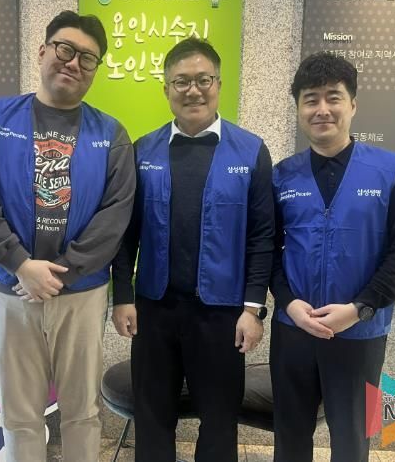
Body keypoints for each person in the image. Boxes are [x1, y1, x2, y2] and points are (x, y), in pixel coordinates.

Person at [0, 10, 135, 462]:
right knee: (19, 414)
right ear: (42, 52)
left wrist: (62, 272)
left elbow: (115, 215)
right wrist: (19, 263)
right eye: (65, 49)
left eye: (87, 58)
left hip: (82, 293)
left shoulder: (111, 134)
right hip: (12, 289)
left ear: (95, 70)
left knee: (83, 412)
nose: (74, 63)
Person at [111, 37, 274, 462]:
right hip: (154, 310)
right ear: (166, 89)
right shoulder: (142, 150)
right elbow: (125, 233)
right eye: (181, 81)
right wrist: (122, 297)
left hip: (222, 315)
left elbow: (262, 237)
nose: (193, 90)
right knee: (152, 417)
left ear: (218, 84)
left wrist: (253, 309)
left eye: (203, 80)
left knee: (219, 421)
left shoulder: (251, 151)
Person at [270, 52, 395, 462]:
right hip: (294, 329)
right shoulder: (282, 175)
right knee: (289, 437)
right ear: (299, 109)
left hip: (360, 333)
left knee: (354, 440)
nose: (322, 109)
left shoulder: (389, 171)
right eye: (311, 99)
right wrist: (289, 303)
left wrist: (360, 308)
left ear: (353, 104)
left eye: (333, 97)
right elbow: (267, 249)